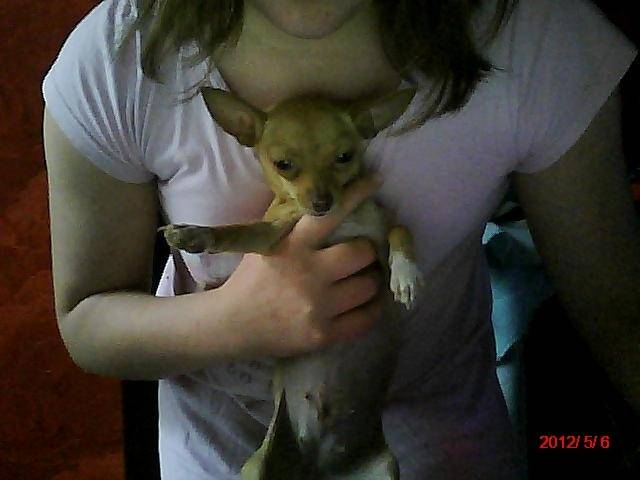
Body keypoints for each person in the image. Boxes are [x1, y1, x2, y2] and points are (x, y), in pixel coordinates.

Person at [42, 0, 639, 478]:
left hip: (444, 446)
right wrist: (230, 321)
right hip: (229, 454)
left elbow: (619, 314)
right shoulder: (121, 55)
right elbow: (86, 318)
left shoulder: (533, 35)